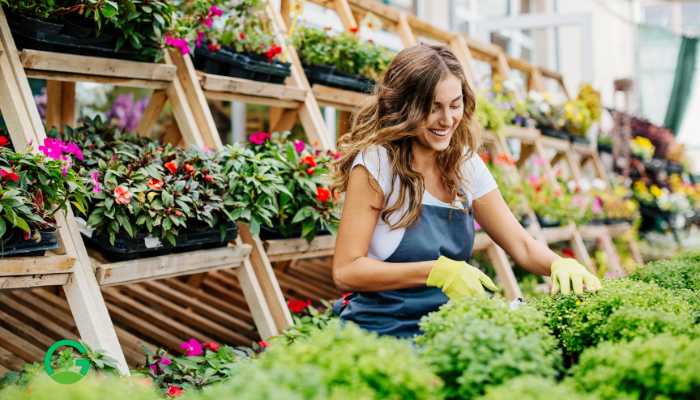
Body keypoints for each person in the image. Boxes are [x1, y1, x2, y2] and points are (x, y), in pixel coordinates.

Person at [331, 44, 601, 339]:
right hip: (383, 331)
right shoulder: (377, 165)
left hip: (447, 328)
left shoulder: (463, 165)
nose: (447, 120)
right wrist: (436, 271)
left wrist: (559, 264)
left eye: (454, 104)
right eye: (432, 107)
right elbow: (346, 270)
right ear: (404, 106)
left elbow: (521, 245)